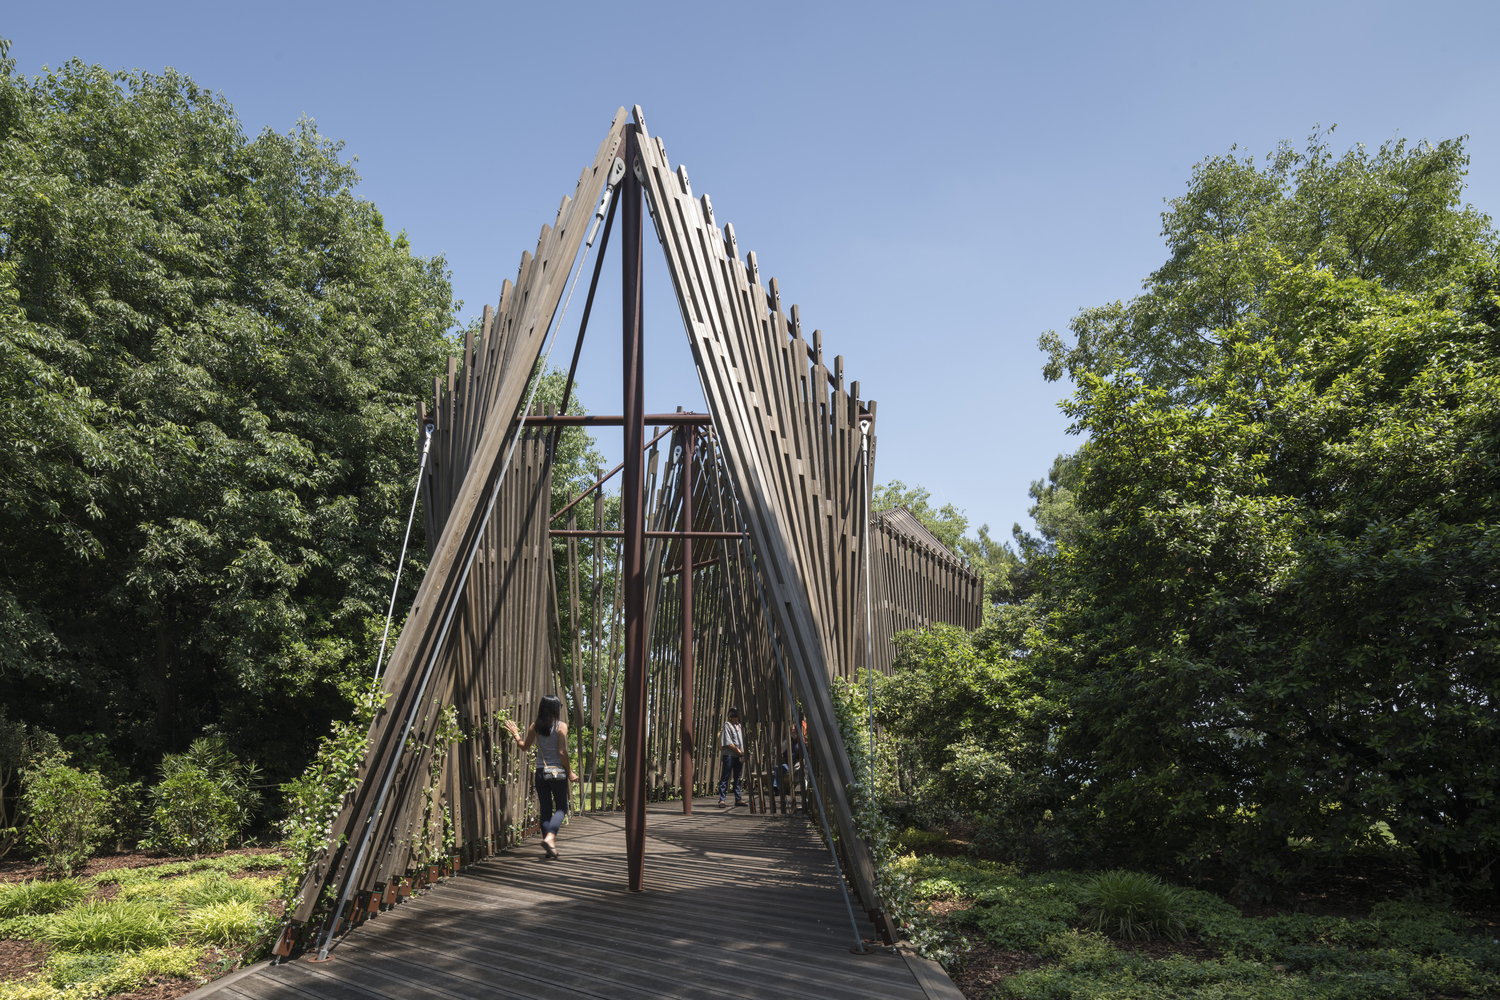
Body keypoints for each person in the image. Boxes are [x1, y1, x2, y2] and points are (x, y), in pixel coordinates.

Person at [504, 694, 578, 859]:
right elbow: (561, 752)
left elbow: (523, 747)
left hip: (540, 773)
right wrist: (570, 772)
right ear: (555, 708)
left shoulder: (535, 726)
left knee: (545, 810)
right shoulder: (561, 726)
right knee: (561, 808)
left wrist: (516, 733)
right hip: (557, 772)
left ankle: (548, 849)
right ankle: (550, 837)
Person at [718, 705, 745, 807]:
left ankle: (738, 799)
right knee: (725, 776)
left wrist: (743, 754)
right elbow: (728, 743)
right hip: (729, 755)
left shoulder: (740, 726)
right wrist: (740, 752)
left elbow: (743, 741)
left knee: (738, 777)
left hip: (738, 755)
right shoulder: (727, 725)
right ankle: (722, 799)